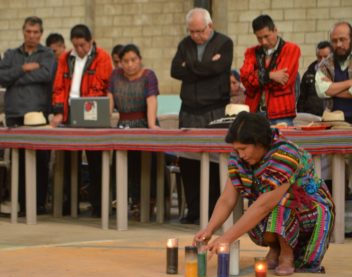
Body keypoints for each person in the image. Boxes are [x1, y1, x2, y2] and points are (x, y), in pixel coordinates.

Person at [194, 112, 335, 276]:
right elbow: (227, 199)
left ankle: (287, 255)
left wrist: (226, 238)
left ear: (259, 142)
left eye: (244, 149)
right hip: (271, 212)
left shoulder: (285, 153)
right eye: (237, 149)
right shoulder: (240, 158)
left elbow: (265, 205)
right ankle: (275, 249)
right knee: (261, 207)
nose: (241, 155)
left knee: (281, 200)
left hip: (308, 214)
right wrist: (209, 230)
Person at [170, 7, 233, 224]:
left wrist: (192, 67)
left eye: (200, 31)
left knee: (216, 162)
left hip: (214, 108)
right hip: (188, 109)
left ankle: (213, 212)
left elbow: (220, 67)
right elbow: (175, 70)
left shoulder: (224, 43)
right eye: (192, 32)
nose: (196, 36)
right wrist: (206, 66)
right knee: (188, 162)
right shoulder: (184, 44)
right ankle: (194, 210)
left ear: (210, 26)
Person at [50, 24, 112, 217]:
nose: (79, 49)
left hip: (92, 117)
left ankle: (99, 206)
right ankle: (70, 204)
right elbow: (59, 87)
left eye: (83, 45)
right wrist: (59, 111)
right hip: (69, 118)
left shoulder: (103, 57)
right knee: (69, 163)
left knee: (96, 164)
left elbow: (102, 85)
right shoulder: (65, 58)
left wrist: (87, 108)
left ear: (91, 41)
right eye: (76, 45)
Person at [0, 16, 55, 215]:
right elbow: (2, 77)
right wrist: (23, 68)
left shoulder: (47, 53)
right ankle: (21, 203)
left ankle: (39, 204)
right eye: (28, 32)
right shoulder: (11, 54)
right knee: (19, 161)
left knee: (40, 159)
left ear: (41, 33)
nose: (32, 36)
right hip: (15, 114)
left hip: (38, 114)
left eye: (36, 32)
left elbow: (46, 75)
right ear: (23, 32)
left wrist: (16, 77)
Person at [107, 44, 159, 214]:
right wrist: (105, 121)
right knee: (119, 164)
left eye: (133, 60)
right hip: (122, 126)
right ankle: (120, 200)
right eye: (125, 61)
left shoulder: (148, 75)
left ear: (140, 59)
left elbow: (151, 99)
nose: (129, 64)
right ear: (120, 62)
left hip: (143, 123)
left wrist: (151, 125)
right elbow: (110, 101)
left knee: (142, 165)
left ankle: (145, 202)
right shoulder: (115, 76)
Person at [240, 15, 301, 126]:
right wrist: (270, 75)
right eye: (259, 38)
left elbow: (283, 83)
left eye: (266, 36)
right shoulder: (250, 52)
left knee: (281, 143)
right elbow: (245, 79)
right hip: (255, 112)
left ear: (275, 30)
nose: (263, 42)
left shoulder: (291, 49)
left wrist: (256, 79)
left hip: (281, 113)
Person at [315, 22, 352, 122]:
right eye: (334, 41)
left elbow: (328, 90)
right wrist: (349, 83)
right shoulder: (324, 65)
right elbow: (322, 91)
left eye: (342, 39)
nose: (338, 44)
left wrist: (332, 88)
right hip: (333, 123)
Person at [297, 41, 332, 116]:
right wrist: (301, 115)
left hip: (331, 116)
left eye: (326, 57)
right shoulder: (308, 74)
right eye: (319, 57)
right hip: (311, 117)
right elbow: (302, 98)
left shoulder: (337, 73)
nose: (322, 60)